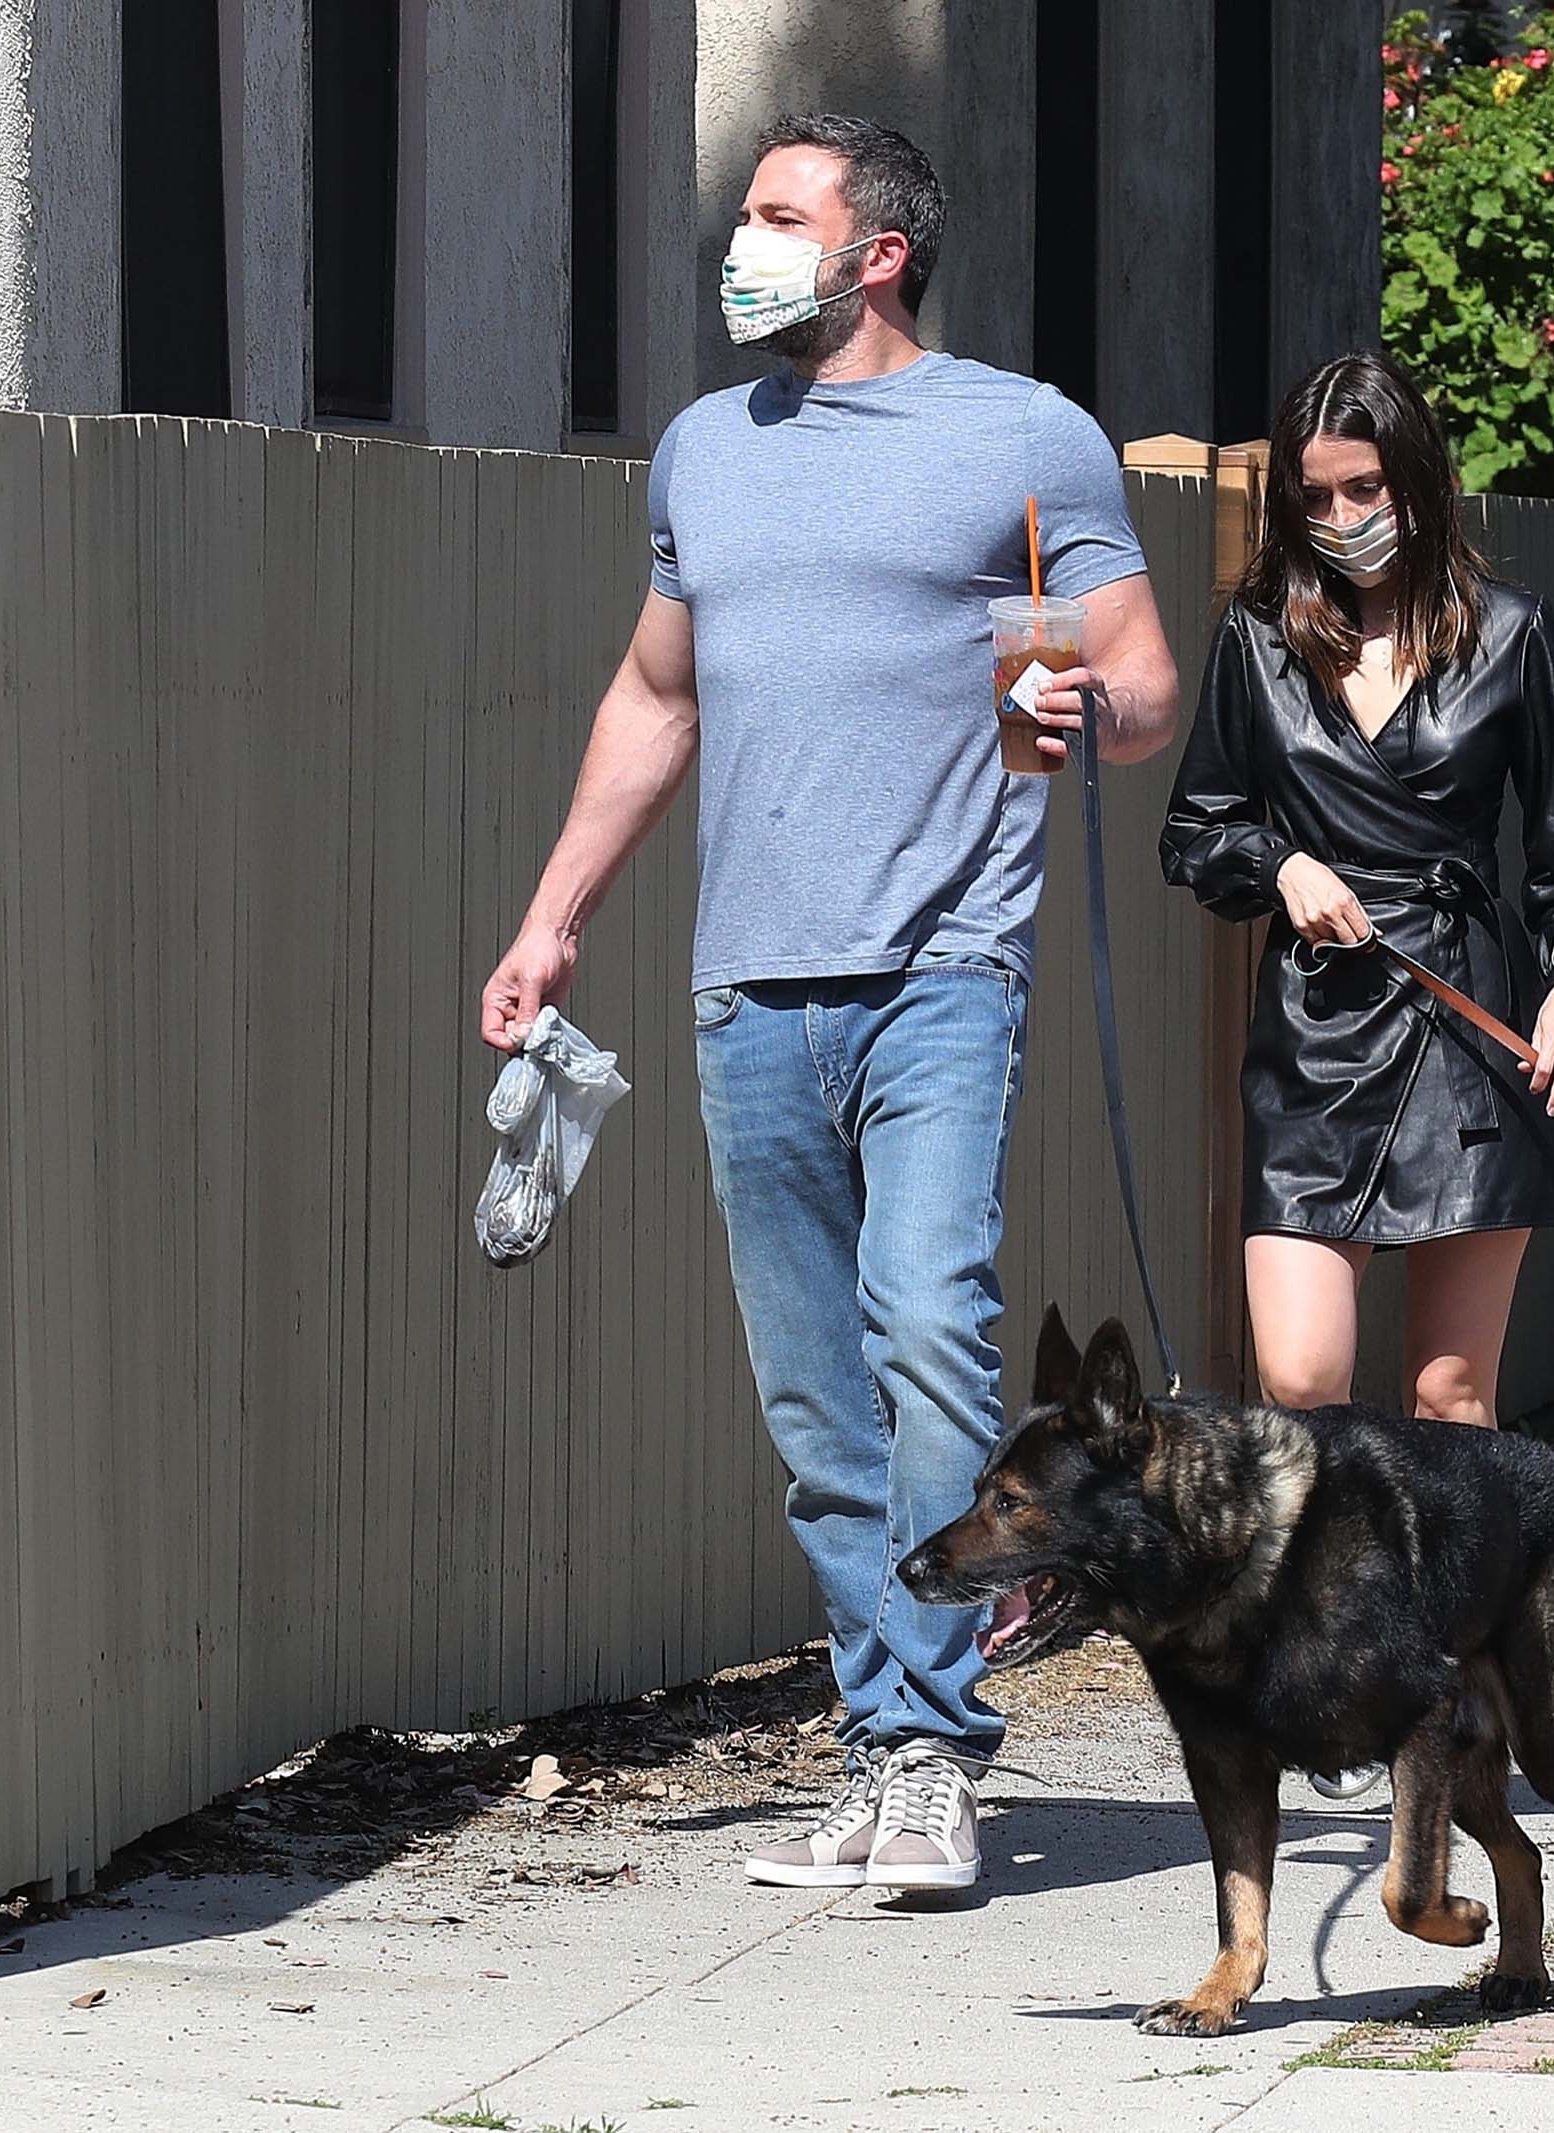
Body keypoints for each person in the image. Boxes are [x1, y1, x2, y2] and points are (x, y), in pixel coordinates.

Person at [479, 114, 1181, 1893]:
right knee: (814, 1408)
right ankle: (880, 1747)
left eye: (779, 214)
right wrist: (555, 916)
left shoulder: (1024, 436)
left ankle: (937, 1753)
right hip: (745, 991)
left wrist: (1068, 706)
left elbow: (1148, 688)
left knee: (931, 1330)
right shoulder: (707, 452)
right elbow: (658, 700)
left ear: (880, 252)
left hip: (945, 967)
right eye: (744, 212)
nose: (741, 238)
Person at [1160, 351, 1554, 1432]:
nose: (1341, 515)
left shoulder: (1512, 631)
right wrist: (1279, 864)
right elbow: (1194, 828)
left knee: (1450, 1397)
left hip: (1466, 1029)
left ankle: (1450, 1605)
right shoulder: (1259, 635)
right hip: (1317, 1030)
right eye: (1314, 496)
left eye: (1363, 488)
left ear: (1414, 480)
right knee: (1300, 1376)